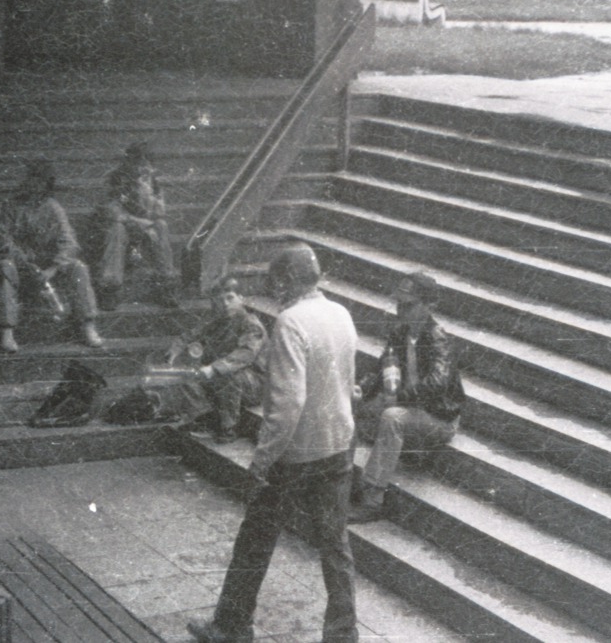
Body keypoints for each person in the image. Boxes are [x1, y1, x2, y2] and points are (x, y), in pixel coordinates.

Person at [188, 243, 359, 643]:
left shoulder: (291, 322)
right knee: (336, 546)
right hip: (338, 445)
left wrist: (262, 460)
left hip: (297, 453)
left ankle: (231, 627)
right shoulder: (341, 313)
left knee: (256, 539)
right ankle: (343, 635)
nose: (274, 290)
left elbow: (287, 404)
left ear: (286, 281)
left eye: (276, 282)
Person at [349, 270, 464, 524]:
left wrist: (399, 398)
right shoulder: (400, 333)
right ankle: (341, 479)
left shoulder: (437, 338)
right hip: (410, 407)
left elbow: (437, 383)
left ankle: (372, 500)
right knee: (357, 407)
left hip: (438, 418)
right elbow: (381, 369)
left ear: (428, 305)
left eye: (409, 305)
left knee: (392, 418)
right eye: (399, 303)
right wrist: (361, 390)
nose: (401, 310)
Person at [0, 159, 102, 353]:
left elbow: (69, 241)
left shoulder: (53, 208)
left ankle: (88, 325)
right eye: (31, 179)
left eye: (40, 180)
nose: (33, 184)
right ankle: (7, 331)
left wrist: (53, 268)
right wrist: (25, 262)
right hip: (21, 265)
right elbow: (2, 240)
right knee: (5, 266)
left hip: (48, 267)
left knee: (79, 267)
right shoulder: (9, 207)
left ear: (47, 184)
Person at [162, 276, 267, 444]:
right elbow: (191, 335)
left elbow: (246, 354)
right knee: (187, 369)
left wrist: (213, 368)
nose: (225, 304)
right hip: (222, 375)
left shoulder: (251, 324)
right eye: (220, 300)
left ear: (241, 298)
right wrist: (175, 351)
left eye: (230, 298)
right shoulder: (218, 320)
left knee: (229, 375)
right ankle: (205, 417)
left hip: (254, 383)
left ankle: (229, 427)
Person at [94, 142, 178, 309]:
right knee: (117, 229)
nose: (141, 167)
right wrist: (141, 223)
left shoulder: (152, 181)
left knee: (161, 226)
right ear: (128, 161)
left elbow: (160, 212)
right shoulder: (113, 178)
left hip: (143, 228)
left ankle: (166, 285)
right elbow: (112, 212)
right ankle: (110, 288)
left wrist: (144, 190)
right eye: (137, 162)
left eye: (146, 163)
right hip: (119, 227)